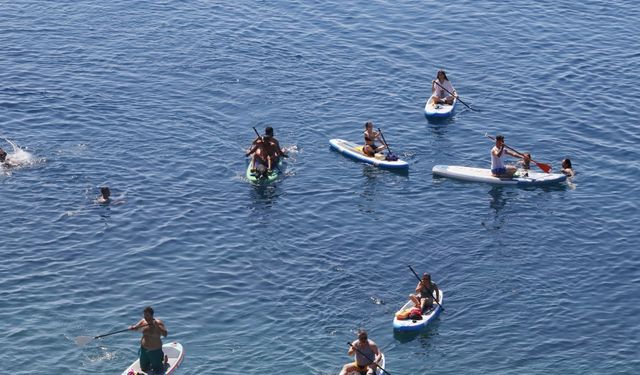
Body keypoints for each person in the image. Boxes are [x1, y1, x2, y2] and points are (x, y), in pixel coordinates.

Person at [129, 306, 168, 374]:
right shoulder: (143, 321)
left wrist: (157, 326)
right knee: (143, 368)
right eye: (144, 315)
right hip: (144, 349)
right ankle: (152, 361)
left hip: (155, 350)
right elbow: (136, 328)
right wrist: (133, 328)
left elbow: (165, 334)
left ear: (152, 315)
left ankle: (164, 361)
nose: (145, 317)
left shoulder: (158, 323)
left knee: (158, 371)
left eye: (147, 315)